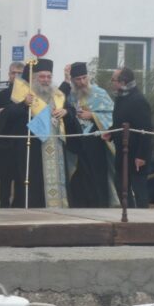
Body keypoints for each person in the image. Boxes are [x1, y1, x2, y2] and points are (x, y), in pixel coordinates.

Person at [0, 59, 81, 208]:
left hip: (56, 150)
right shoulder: (24, 95)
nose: (46, 80)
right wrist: (24, 105)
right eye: (42, 76)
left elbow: (71, 114)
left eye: (49, 77)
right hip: (31, 151)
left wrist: (66, 112)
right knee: (32, 185)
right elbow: (6, 116)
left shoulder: (58, 96)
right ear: (34, 78)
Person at [60, 62, 118, 208]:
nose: (82, 82)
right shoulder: (70, 95)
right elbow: (59, 103)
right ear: (72, 80)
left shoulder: (100, 93)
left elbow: (112, 115)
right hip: (77, 143)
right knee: (79, 176)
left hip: (95, 142)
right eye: (78, 79)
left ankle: (101, 204)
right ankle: (80, 204)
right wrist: (65, 79)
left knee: (97, 175)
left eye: (84, 77)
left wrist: (92, 115)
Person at [104, 67, 152, 208]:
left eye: (113, 80)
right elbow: (121, 122)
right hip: (123, 153)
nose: (112, 83)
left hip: (136, 154)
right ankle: (129, 212)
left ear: (123, 82)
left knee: (139, 189)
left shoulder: (138, 100)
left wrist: (141, 156)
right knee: (120, 185)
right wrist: (111, 132)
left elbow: (146, 130)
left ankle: (142, 218)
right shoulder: (121, 97)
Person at [0, 61, 24, 207]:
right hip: (4, 143)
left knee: (21, 177)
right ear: (9, 74)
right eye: (13, 73)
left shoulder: (28, 95)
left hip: (22, 142)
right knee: (5, 177)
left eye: (19, 73)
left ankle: (18, 205)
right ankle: (3, 204)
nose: (16, 76)